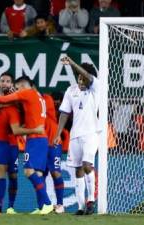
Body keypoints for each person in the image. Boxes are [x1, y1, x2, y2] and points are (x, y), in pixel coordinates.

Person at [0, 72, 43, 213]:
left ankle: (9, 206)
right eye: (2, 81)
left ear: (12, 85)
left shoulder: (20, 100)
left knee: (13, 175)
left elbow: (25, 114)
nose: (4, 83)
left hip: (12, 145)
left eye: (8, 81)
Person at [0, 75, 54, 215]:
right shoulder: (38, 96)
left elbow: (4, 99)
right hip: (40, 139)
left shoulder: (27, 92)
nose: (16, 90)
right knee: (37, 173)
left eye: (17, 87)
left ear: (22, 86)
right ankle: (42, 207)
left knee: (28, 171)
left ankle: (48, 203)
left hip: (35, 139)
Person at [53, 56, 100, 215]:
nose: (80, 80)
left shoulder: (96, 88)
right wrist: (58, 134)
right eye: (78, 77)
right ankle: (81, 207)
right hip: (75, 135)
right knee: (78, 171)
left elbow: (87, 76)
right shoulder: (70, 91)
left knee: (87, 165)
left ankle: (91, 200)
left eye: (83, 78)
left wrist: (72, 63)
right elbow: (65, 113)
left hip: (92, 133)